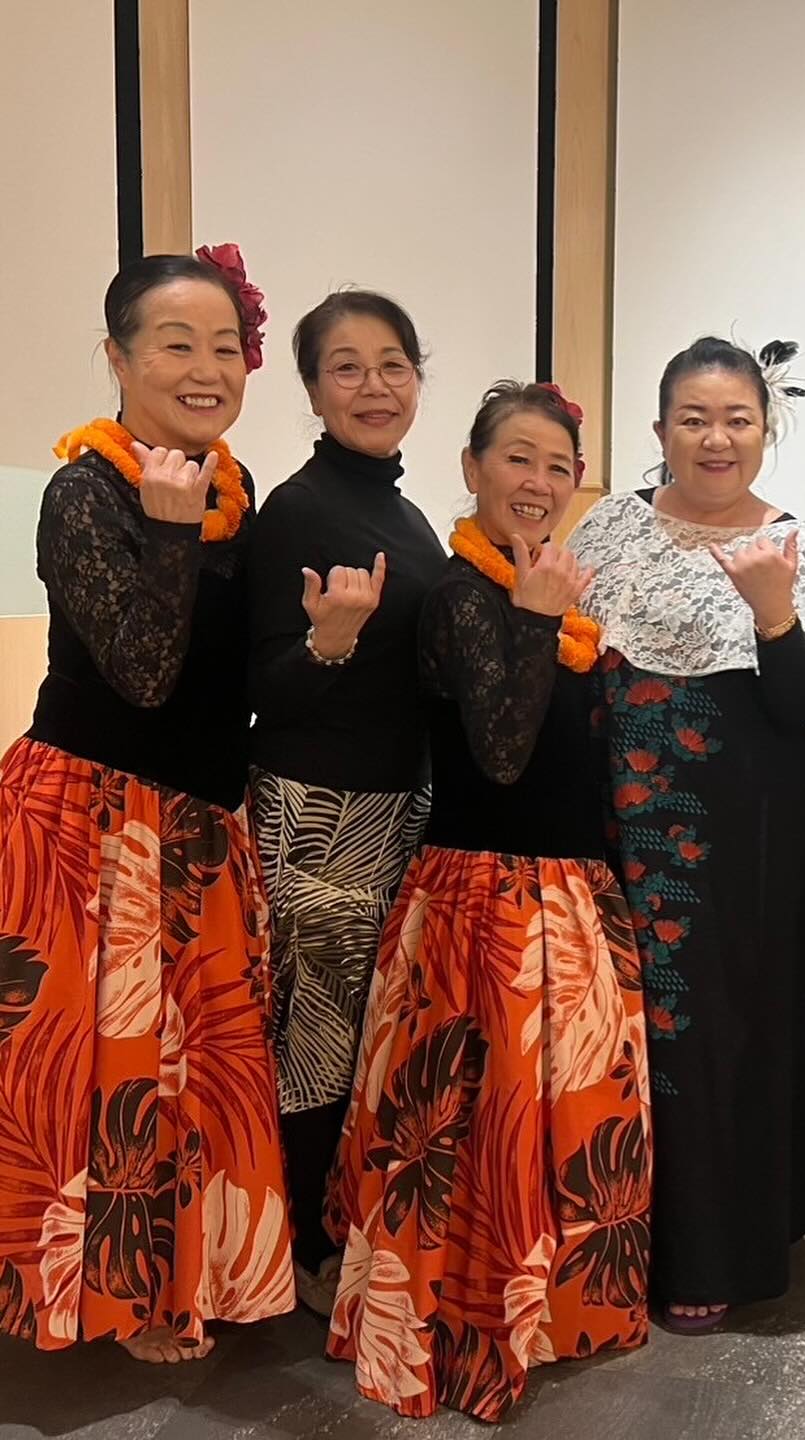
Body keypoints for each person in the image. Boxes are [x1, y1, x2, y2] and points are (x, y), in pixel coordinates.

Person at [325, 381, 650, 1420]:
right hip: (481, 898)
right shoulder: (462, 595)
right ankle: (457, 1324)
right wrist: (538, 617)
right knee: (475, 1124)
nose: (538, 481)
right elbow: (502, 755)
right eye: (517, 457)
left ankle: (550, 1309)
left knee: (564, 1115)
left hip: (569, 895)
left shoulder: (553, 591)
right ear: (472, 468)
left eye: (559, 466)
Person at [0, 248, 293, 1363]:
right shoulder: (83, 490)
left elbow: (230, 676)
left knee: (187, 1071)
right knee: (95, 1073)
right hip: (88, 819)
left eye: (226, 346)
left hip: (199, 825)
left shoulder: (236, 492)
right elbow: (141, 673)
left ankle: (173, 1279)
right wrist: (169, 530)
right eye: (177, 344)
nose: (208, 368)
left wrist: (321, 643)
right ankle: (107, 1298)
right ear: (119, 358)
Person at [568, 337, 805, 1330]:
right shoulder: (612, 525)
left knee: (729, 1023)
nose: (716, 438)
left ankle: (721, 1246)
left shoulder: (794, 541)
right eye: (694, 419)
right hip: (621, 826)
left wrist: (775, 615)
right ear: (660, 430)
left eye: (737, 419)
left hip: (747, 837)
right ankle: (621, 1236)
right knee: (633, 1025)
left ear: (765, 430)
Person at [246, 290, 445, 1312]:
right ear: (314, 388)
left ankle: (333, 1235)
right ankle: (297, 1258)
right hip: (315, 813)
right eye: (347, 367)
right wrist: (328, 643)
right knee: (311, 1043)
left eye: (393, 364)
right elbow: (256, 686)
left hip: (395, 814)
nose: (375, 386)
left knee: (362, 1035)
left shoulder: (407, 517)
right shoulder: (298, 510)